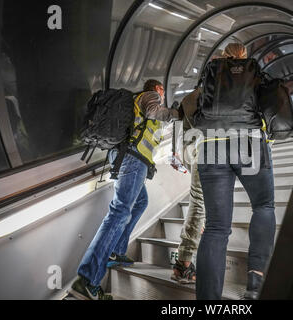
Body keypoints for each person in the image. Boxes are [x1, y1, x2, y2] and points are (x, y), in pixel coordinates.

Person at [69, 80, 180, 300]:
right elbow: (153, 111)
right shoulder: (150, 96)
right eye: (162, 92)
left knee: (140, 203)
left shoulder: (140, 103)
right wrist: (180, 112)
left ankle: (116, 251)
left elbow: (151, 127)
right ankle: (87, 281)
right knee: (119, 212)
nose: (163, 96)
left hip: (129, 159)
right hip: (132, 160)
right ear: (157, 89)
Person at [194, 43, 276, 300]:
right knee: (263, 206)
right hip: (249, 140)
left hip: (210, 144)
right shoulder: (253, 71)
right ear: (243, 55)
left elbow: (194, 105)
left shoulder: (210, 71)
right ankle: (255, 285)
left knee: (217, 227)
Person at [170, 88, 206, 285]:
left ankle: (182, 261)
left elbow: (182, 130)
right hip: (214, 150)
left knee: (199, 201)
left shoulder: (190, 97)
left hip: (193, 152)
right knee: (200, 203)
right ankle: (183, 263)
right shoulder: (224, 91)